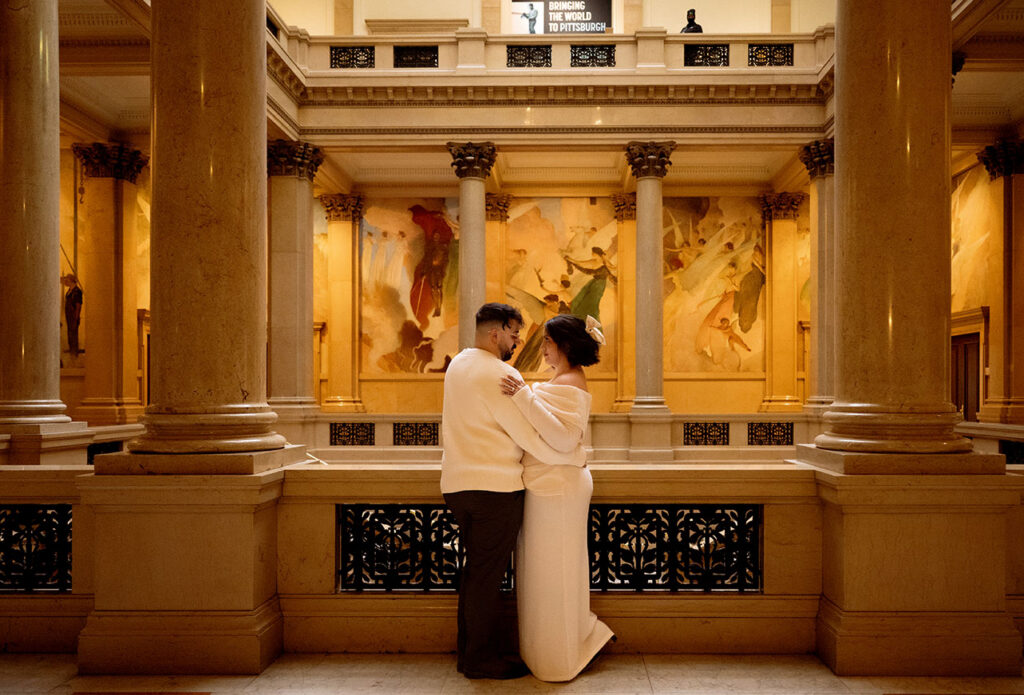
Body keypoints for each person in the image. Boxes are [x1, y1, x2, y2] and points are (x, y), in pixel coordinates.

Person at [441, 303, 583, 680]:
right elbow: (529, 437)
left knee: (475, 574)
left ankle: (468, 653)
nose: (520, 342)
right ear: (497, 332)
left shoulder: (457, 365)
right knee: (487, 578)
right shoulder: (500, 373)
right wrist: (572, 451)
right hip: (493, 489)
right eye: (515, 333)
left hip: (456, 487)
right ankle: (480, 660)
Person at [499, 314, 615, 682]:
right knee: (542, 571)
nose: (543, 349)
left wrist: (522, 397)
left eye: (547, 342)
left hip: (560, 487)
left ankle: (560, 658)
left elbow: (564, 439)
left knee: (556, 573)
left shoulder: (570, 381)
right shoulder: (563, 380)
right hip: (548, 483)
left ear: (564, 345)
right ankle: (549, 651)